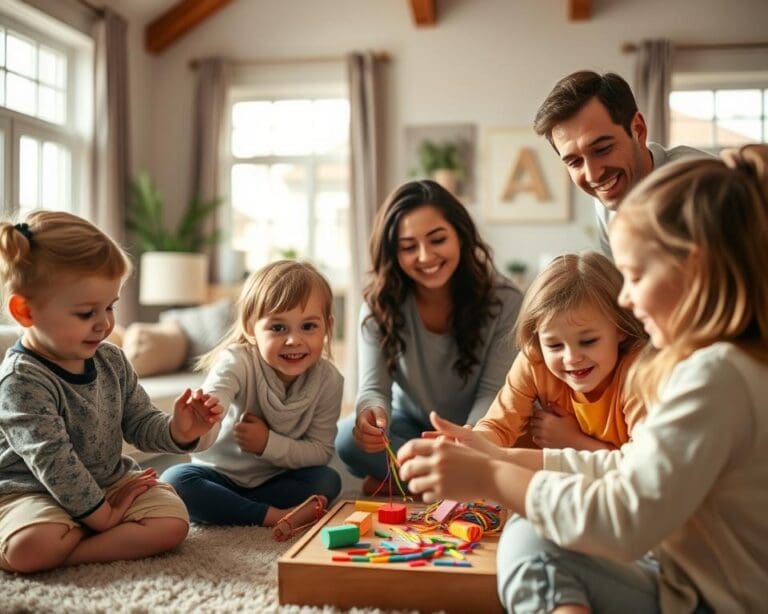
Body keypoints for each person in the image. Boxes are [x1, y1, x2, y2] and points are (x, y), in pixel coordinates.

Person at [397, 145, 768, 613]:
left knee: (532, 533)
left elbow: (622, 518)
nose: (628, 301)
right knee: (532, 530)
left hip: (707, 600)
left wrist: (492, 477)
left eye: (634, 277)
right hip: (692, 581)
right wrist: (498, 455)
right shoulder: (730, 365)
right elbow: (630, 468)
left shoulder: (716, 377)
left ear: (690, 268)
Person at [0, 211, 223, 574]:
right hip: (32, 491)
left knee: (173, 522)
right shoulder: (21, 380)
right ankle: (63, 541)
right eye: (87, 312)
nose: (104, 323)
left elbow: (138, 421)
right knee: (31, 547)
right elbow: (54, 463)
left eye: (110, 306)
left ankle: (70, 550)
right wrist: (105, 519)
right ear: (25, 310)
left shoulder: (112, 359)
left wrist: (178, 431)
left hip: (107, 482)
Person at [335, 179, 523, 492]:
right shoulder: (378, 304)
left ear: (460, 236)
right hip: (410, 428)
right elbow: (372, 389)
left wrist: (466, 441)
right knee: (347, 441)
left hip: (478, 431)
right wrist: (371, 416)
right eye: (408, 247)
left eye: (437, 240)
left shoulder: (507, 300)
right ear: (393, 253)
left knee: (512, 451)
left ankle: (403, 480)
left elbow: (493, 394)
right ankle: (442, 481)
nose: (425, 256)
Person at [161, 260, 343, 541]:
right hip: (219, 477)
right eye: (278, 328)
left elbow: (320, 451)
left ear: (327, 327)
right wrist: (197, 424)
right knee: (175, 481)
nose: (294, 340)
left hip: (276, 480)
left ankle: (244, 509)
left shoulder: (329, 380)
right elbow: (215, 400)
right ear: (250, 328)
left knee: (327, 480)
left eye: (308, 326)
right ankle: (272, 516)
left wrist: (266, 443)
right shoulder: (237, 361)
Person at [474, 251, 647, 452]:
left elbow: (644, 464)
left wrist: (574, 442)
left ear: (621, 329)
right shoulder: (535, 360)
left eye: (588, 341)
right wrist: (467, 442)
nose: (572, 358)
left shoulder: (639, 372)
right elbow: (497, 427)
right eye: (554, 346)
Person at [534, 70, 710, 256]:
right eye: (575, 162)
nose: (593, 175)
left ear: (638, 130)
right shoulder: (607, 201)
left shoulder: (701, 183)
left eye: (602, 149)